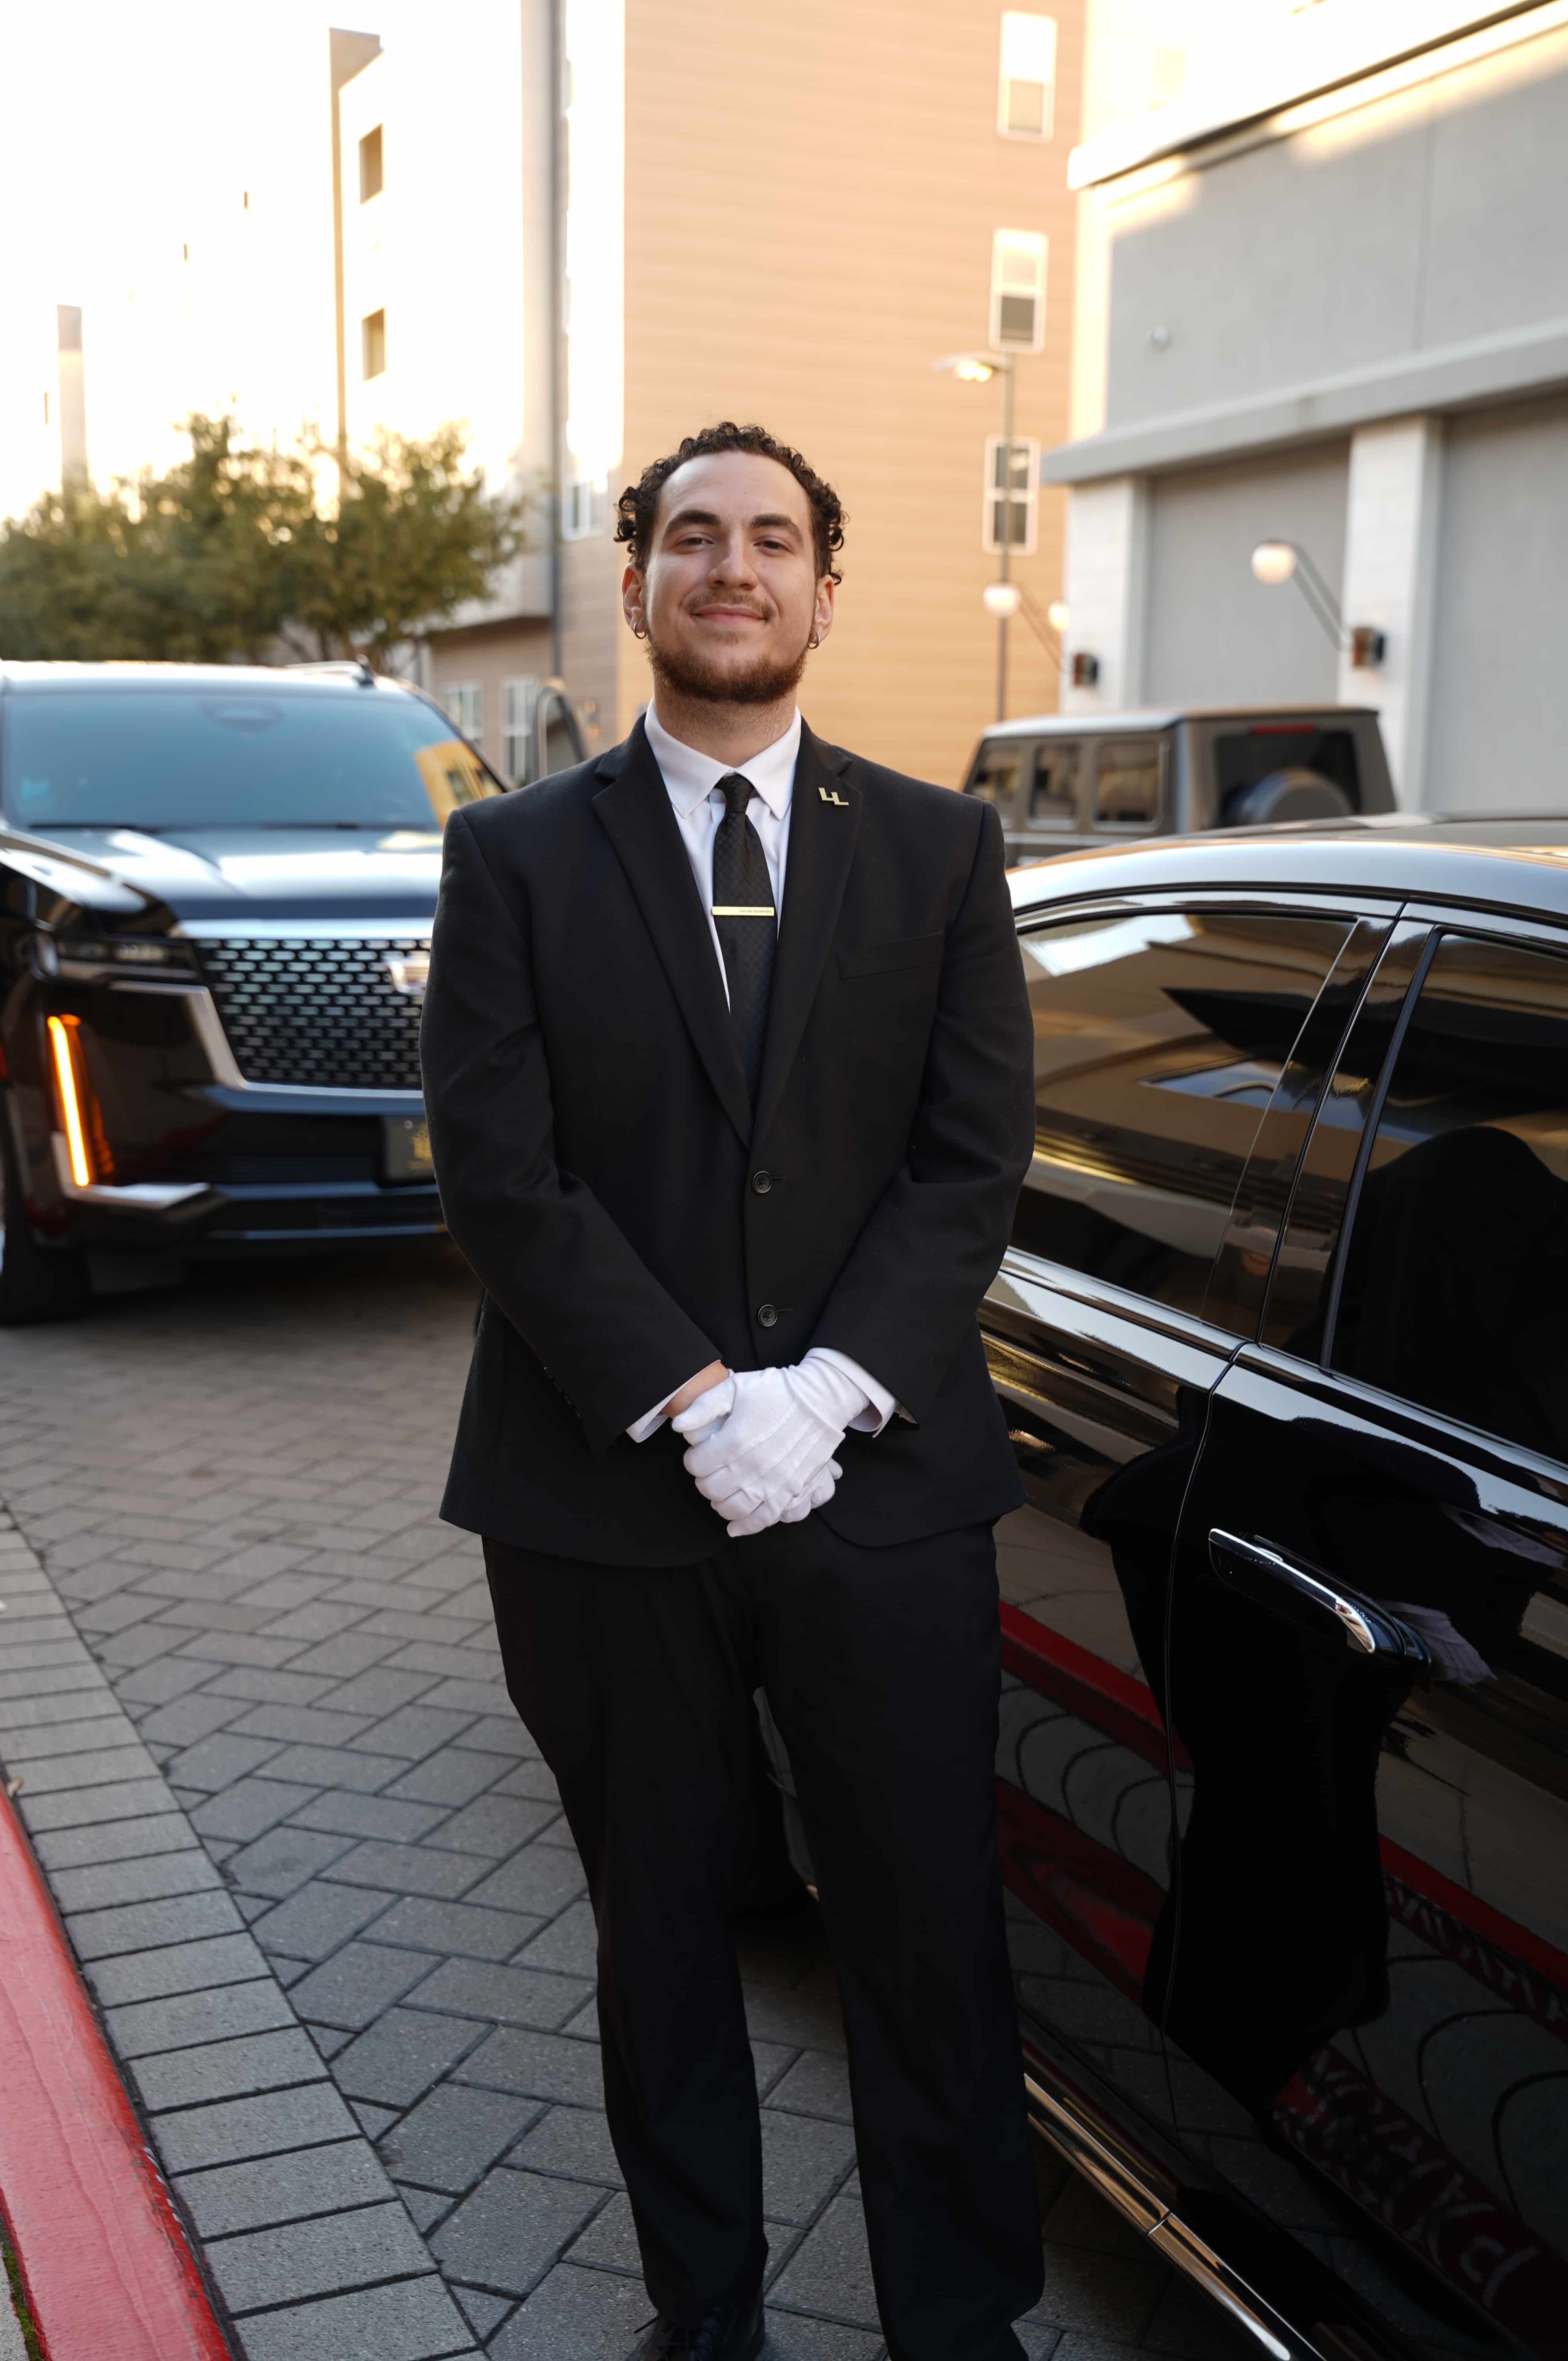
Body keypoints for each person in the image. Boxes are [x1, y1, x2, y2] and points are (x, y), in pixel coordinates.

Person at [420, 421, 1043, 2361]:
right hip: (605, 1497)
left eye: (773, 539)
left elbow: (969, 1159)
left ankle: (957, 2324)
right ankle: (704, 2322)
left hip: (885, 1489)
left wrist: (830, 1388)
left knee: (928, 1931)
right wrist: (700, 1399)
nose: (733, 568)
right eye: (693, 537)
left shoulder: (938, 848)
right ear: (637, 585)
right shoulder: (515, 855)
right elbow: (498, 1174)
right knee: (664, 1936)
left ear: (823, 594)